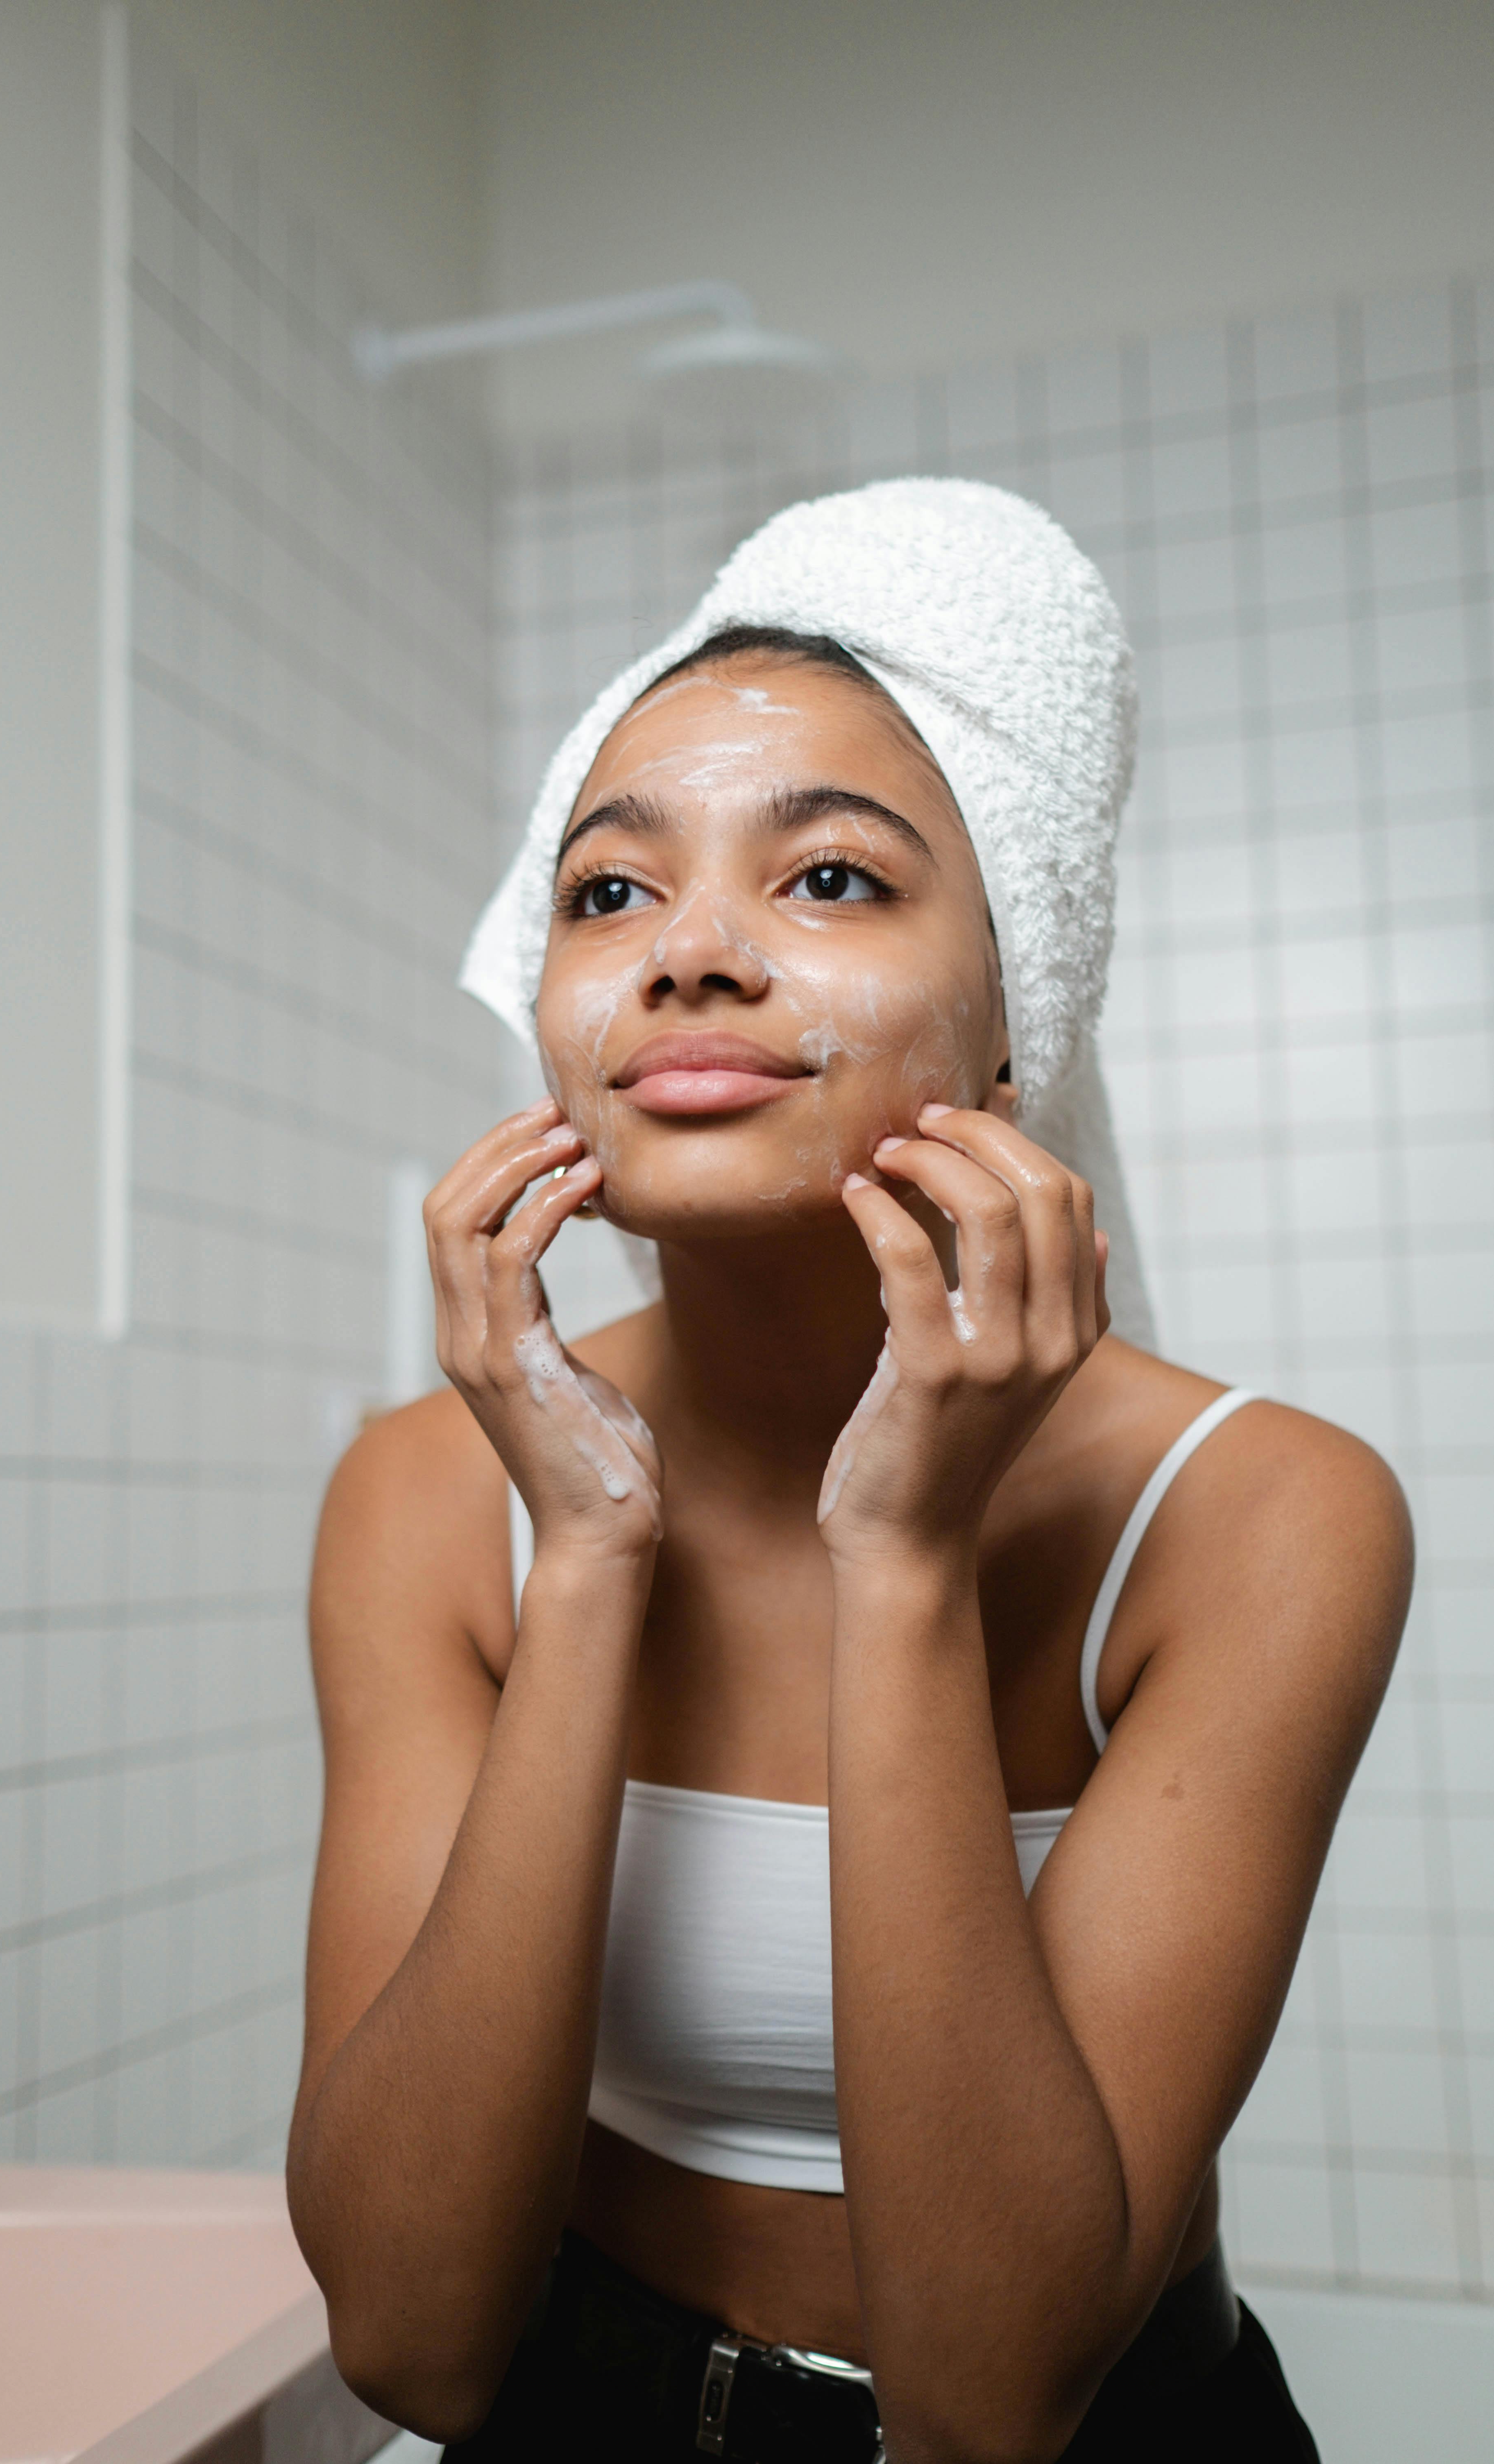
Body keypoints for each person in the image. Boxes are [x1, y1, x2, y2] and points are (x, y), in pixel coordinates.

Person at [286, 482, 1410, 2464]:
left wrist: (902, 1556)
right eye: (609, 891)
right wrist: (591, 1550)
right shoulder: (425, 1495)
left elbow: (987, 2407)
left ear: (1011, 1024)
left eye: (827, 881)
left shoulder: (1256, 1516)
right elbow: (409, 2341)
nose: (690, 954)